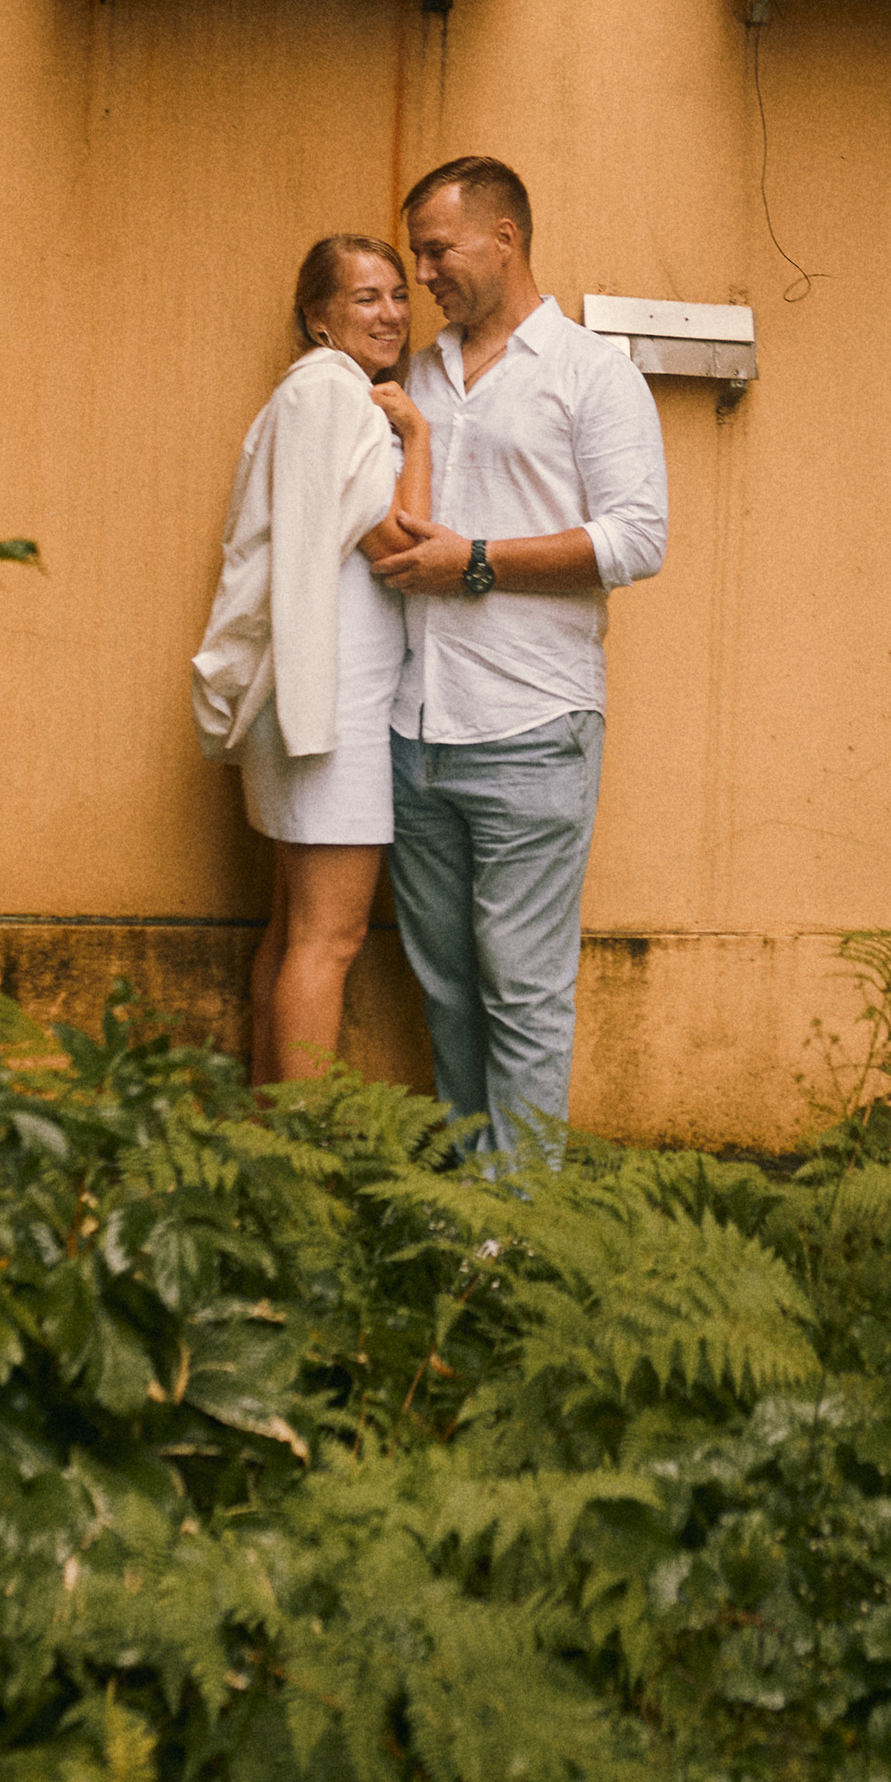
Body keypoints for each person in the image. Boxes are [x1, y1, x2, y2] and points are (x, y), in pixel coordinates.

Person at [370, 154, 668, 1164]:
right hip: (415, 733)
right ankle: (465, 1213)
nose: (423, 274)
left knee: (523, 991)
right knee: (447, 988)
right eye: (414, 254)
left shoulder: (593, 373)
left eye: (437, 249)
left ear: (505, 239)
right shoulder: (416, 375)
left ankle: (518, 1241)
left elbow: (637, 539)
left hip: (532, 734)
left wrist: (479, 563)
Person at [192, 236, 430, 1087]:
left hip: (298, 696)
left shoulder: (302, 398)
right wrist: (420, 435)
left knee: (294, 931)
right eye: (365, 298)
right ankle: (301, 1177)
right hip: (334, 709)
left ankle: (268, 1153)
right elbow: (400, 547)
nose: (391, 314)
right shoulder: (339, 397)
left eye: (399, 295)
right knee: (331, 940)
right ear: (316, 317)